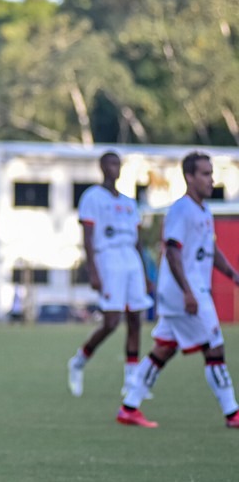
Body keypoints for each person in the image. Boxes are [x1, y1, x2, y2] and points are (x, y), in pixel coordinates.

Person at [118, 152, 239, 428]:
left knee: (164, 348)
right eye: (205, 174)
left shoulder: (204, 210)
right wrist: (187, 292)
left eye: (211, 173)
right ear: (189, 177)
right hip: (187, 293)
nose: (211, 179)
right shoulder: (181, 210)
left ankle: (129, 407)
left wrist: (232, 273)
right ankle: (233, 413)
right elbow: (172, 253)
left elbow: (209, 248)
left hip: (188, 292)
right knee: (214, 347)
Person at [67, 152, 153, 397]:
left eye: (118, 164)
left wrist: (145, 273)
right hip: (109, 258)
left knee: (136, 319)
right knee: (112, 321)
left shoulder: (129, 201)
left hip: (131, 260)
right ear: (102, 167)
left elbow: (138, 242)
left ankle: (131, 382)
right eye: (111, 163)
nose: (115, 168)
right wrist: (93, 270)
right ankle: (79, 361)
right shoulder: (92, 197)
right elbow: (88, 236)